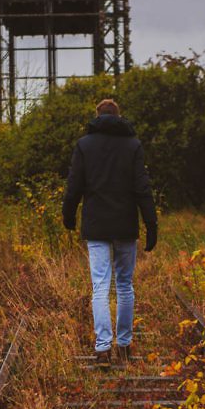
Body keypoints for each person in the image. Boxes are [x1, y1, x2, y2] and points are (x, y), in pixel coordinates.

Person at [62, 98, 157, 366]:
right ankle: (124, 346)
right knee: (125, 285)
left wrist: (68, 216)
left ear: (97, 116)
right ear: (118, 116)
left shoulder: (84, 145)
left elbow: (74, 186)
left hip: (97, 226)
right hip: (125, 224)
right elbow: (142, 188)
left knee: (100, 287)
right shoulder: (133, 145)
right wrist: (151, 225)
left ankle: (103, 349)